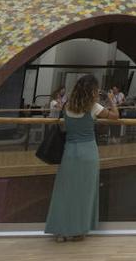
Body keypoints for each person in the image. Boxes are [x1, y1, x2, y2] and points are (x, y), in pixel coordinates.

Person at [44, 74, 119, 241]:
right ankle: (79, 230)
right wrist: (111, 99)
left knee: (65, 191)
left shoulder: (67, 105)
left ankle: (61, 231)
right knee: (85, 192)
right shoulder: (93, 107)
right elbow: (115, 116)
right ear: (92, 91)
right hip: (88, 152)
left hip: (70, 151)